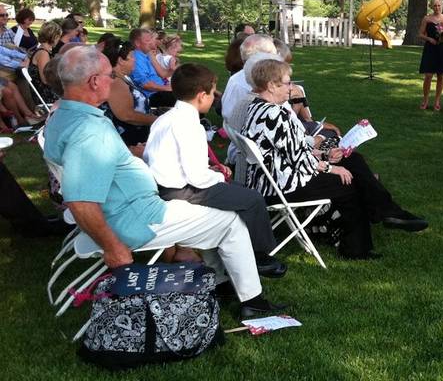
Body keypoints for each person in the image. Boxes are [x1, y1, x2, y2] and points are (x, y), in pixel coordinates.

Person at [45, 46, 285, 319]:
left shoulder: (62, 117)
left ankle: (221, 283)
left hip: (133, 208)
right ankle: (252, 301)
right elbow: (82, 199)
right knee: (231, 222)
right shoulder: (89, 131)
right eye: (110, 75)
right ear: (94, 82)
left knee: (216, 216)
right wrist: (112, 247)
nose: (114, 81)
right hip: (136, 219)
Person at [241, 59, 427, 260]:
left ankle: (387, 212)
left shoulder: (257, 107)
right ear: (271, 85)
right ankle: (359, 245)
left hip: (275, 178)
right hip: (281, 186)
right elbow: (298, 160)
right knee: (347, 181)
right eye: (287, 83)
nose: (292, 88)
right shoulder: (275, 115)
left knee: (353, 160)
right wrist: (330, 168)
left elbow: (291, 151)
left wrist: (325, 155)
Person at [144, 63, 286, 277]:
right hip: (182, 190)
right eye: (212, 93)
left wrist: (212, 171)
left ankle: (239, 254)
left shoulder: (165, 118)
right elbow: (197, 177)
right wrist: (217, 175)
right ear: (202, 96)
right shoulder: (189, 125)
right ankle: (259, 256)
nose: (213, 98)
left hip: (165, 184)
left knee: (239, 191)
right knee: (253, 199)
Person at [102, 39, 158, 146]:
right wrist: (158, 120)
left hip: (138, 133)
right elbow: (127, 115)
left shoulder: (123, 77)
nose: (135, 60)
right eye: (132, 56)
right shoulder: (116, 82)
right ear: (120, 61)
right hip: (130, 141)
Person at [221, 34, 277, 123]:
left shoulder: (238, 77)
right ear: (260, 59)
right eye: (273, 55)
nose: (277, 59)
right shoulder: (249, 83)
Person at [417, 0, 443, 111]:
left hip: (442, 49)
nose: (437, 8)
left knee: (441, 76)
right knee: (428, 76)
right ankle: (425, 100)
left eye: (439, 5)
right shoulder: (427, 19)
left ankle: (437, 101)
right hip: (430, 48)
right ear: (431, 6)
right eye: (435, 6)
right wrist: (429, 39)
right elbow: (420, 34)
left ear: (442, 6)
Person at [128, 29, 176, 108]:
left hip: (160, 90)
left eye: (151, 39)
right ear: (137, 43)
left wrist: (174, 70)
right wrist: (167, 88)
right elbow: (145, 85)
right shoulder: (135, 59)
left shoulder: (146, 54)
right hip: (152, 96)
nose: (152, 42)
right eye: (148, 40)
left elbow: (162, 74)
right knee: (186, 99)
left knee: (189, 92)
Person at [28, 21, 62, 106]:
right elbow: (45, 80)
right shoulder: (43, 53)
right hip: (45, 95)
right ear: (54, 37)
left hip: (42, 91)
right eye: (58, 37)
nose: (59, 40)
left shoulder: (41, 49)